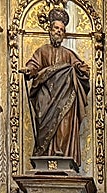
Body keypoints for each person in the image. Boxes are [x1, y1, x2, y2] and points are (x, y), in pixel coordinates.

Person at [24, 7, 90, 166]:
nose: (59, 32)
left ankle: (62, 155)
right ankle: (45, 155)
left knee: (64, 125)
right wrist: (29, 71)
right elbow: (33, 65)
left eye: (62, 30)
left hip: (65, 98)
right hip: (46, 97)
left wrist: (80, 69)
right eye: (56, 28)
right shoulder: (42, 51)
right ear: (50, 30)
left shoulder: (68, 54)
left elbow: (81, 69)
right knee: (44, 123)